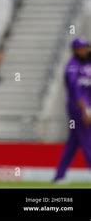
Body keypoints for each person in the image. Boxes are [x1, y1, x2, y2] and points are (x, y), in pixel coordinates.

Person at [54, 38, 91, 183]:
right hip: (78, 110)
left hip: (87, 109)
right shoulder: (72, 67)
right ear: (75, 50)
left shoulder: (86, 65)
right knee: (87, 140)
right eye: (82, 48)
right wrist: (85, 111)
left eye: (86, 48)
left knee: (73, 143)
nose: (85, 50)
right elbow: (75, 91)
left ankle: (59, 176)